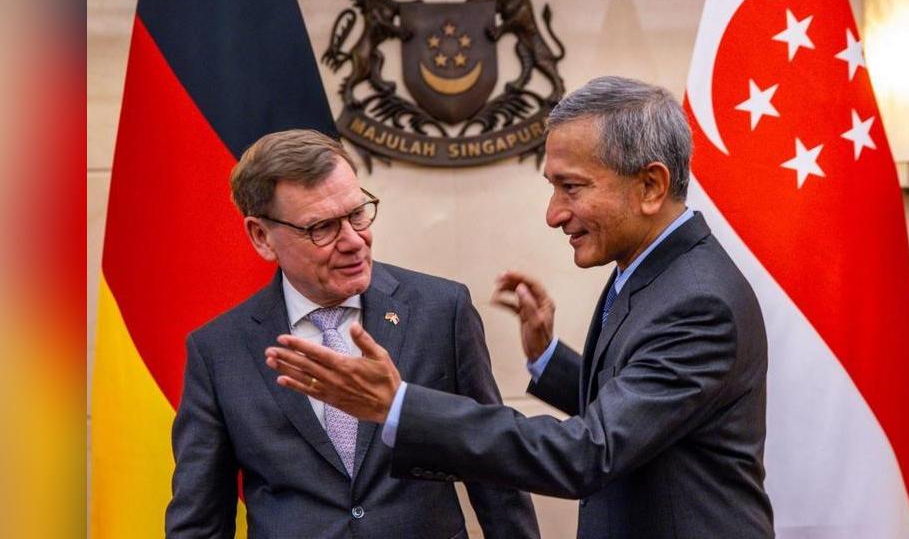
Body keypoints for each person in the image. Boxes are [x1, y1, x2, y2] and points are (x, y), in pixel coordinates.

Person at [266, 77, 775, 538]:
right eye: (553, 187)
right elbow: (639, 412)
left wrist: (399, 405)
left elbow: (588, 453)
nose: (554, 214)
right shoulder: (651, 269)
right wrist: (549, 359)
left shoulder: (697, 302)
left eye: (571, 187)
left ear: (650, 186)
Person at [166, 130, 539, 539]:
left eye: (357, 213)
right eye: (322, 227)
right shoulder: (219, 351)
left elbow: (495, 473)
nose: (353, 241)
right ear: (262, 236)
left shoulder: (440, 311)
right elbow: (200, 520)